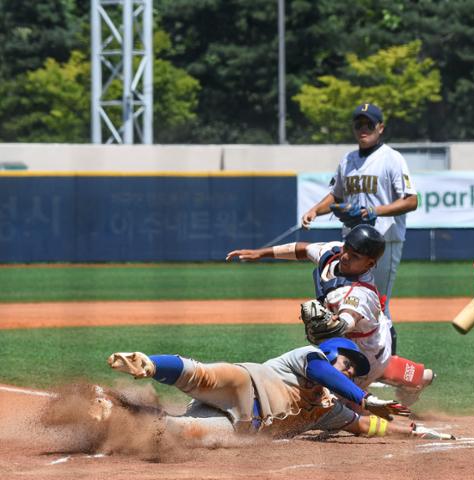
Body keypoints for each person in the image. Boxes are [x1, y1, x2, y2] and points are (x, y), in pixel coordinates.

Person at [226, 224, 435, 406]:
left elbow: (346, 321)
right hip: (370, 336)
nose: (345, 256)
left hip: (365, 354)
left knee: (327, 405)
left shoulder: (361, 292)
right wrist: (261, 253)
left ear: (370, 264)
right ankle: (418, 377)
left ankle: (368, 405)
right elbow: (304, 249)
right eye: (347, 248)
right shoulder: (334, 253)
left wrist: (332, 325)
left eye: (355, 256)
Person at [103, 338, 452, 442]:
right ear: (332, 353)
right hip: (245, 386)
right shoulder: (309, 358)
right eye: (347, 361)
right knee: (203, 374)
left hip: (243, 428)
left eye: (356, 371)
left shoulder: (330, 409)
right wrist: (366, 398)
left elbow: (362, 426)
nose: (350, 369)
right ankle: (149, 364)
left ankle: (114, 415)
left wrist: (409, 431)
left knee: (184, 431)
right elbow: (323, 371)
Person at [301, 103, 418, 354]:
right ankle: (353, 361)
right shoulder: (348, 160)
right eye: (359, 124)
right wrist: (314, 210)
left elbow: (411, 200)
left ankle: (386, 362)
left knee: (378, 302)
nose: (363, 129)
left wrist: (376, 210)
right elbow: (336, 195)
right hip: (352, 243)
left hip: (382, 242)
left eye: (369, 124)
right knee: (348, 299)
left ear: (381, 127)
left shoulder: (392, 159)